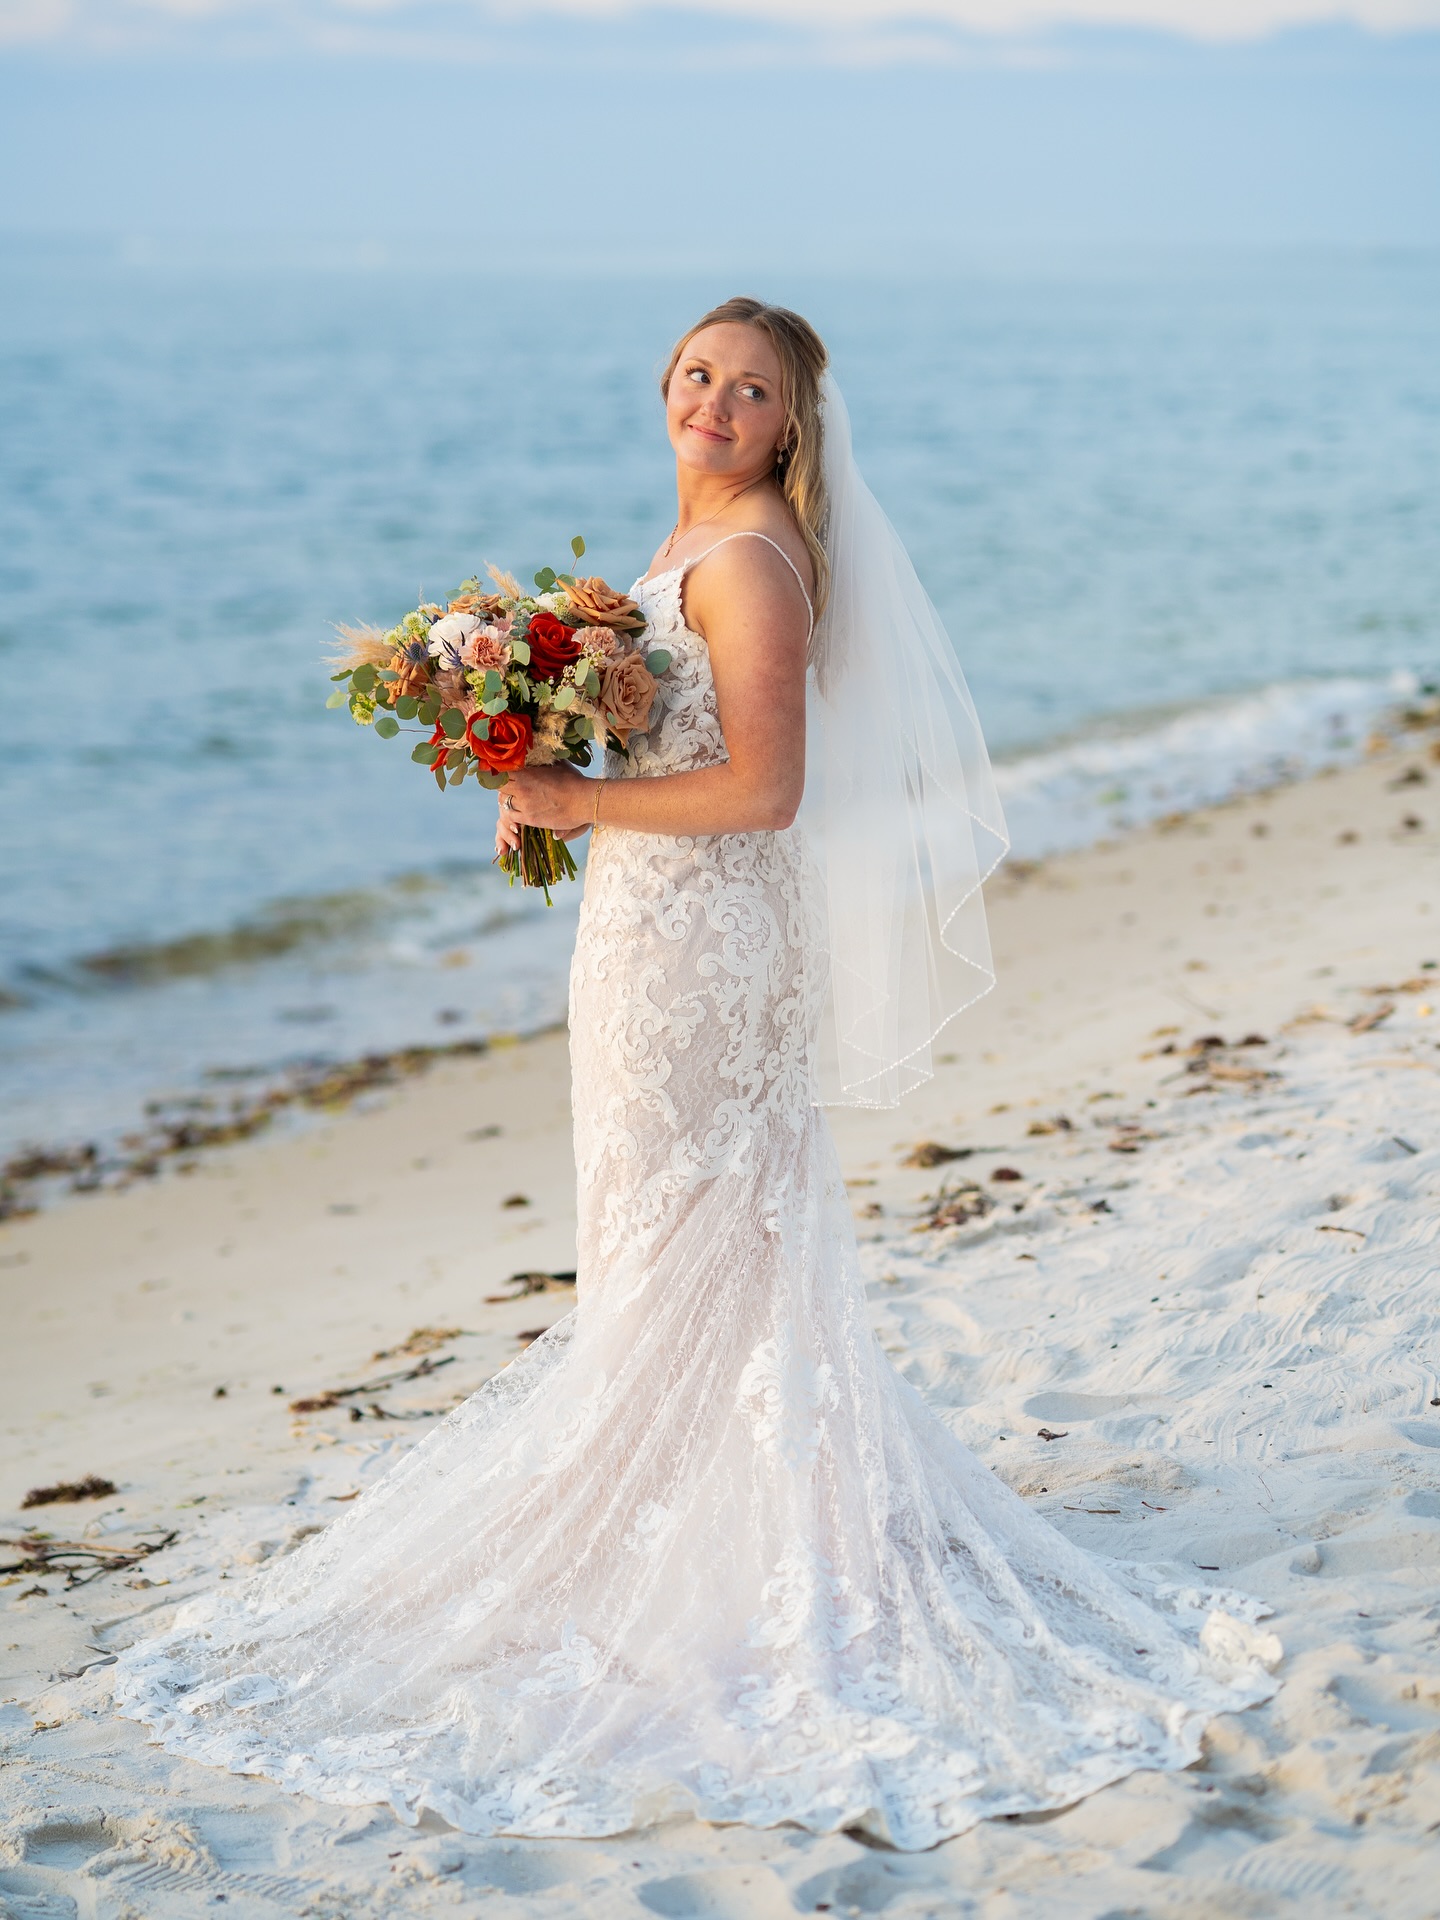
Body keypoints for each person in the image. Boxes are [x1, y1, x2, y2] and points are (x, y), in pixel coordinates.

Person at [113, 298, 1275, 1848]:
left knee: (692, 1232)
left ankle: (715, 1544)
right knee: (681, 1236)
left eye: (751, 388)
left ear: (792, 425)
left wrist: (587, 800)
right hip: (654, 936)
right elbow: (672, 752)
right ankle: (728, 1510)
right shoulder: (681, 556)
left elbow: (769, 790)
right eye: (698, 375)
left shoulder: (743, 565)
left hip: (705, 954)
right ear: (665, 389)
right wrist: (544, 777)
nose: (716, 401)